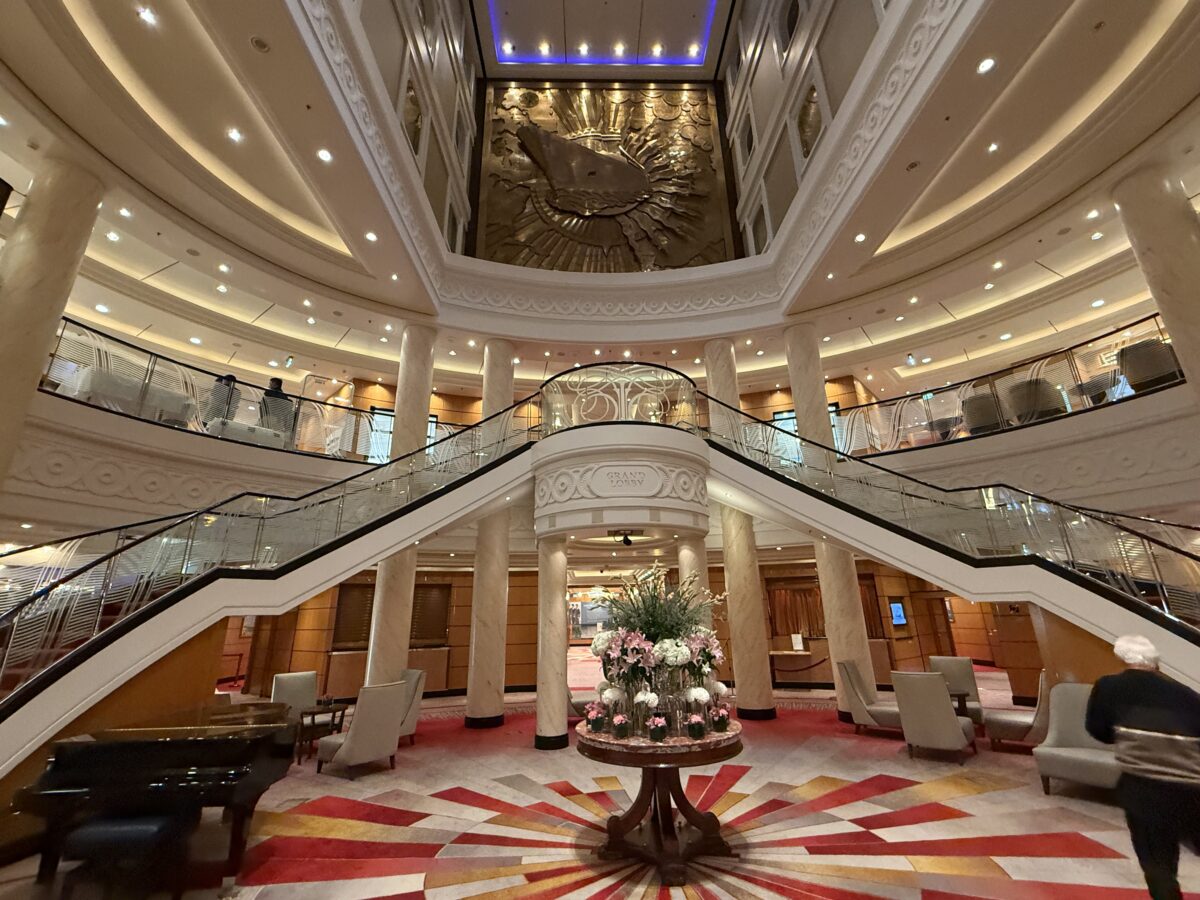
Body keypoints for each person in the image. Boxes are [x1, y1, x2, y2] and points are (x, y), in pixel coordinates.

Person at [1086, 635, 1200, 899]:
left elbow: (1098, 730)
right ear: (1156, 664)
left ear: (1122, 658)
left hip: (1144, 788)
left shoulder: (1109, 686)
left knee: (1157, 863)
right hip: (1193, 788)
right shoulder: (1184, 692)